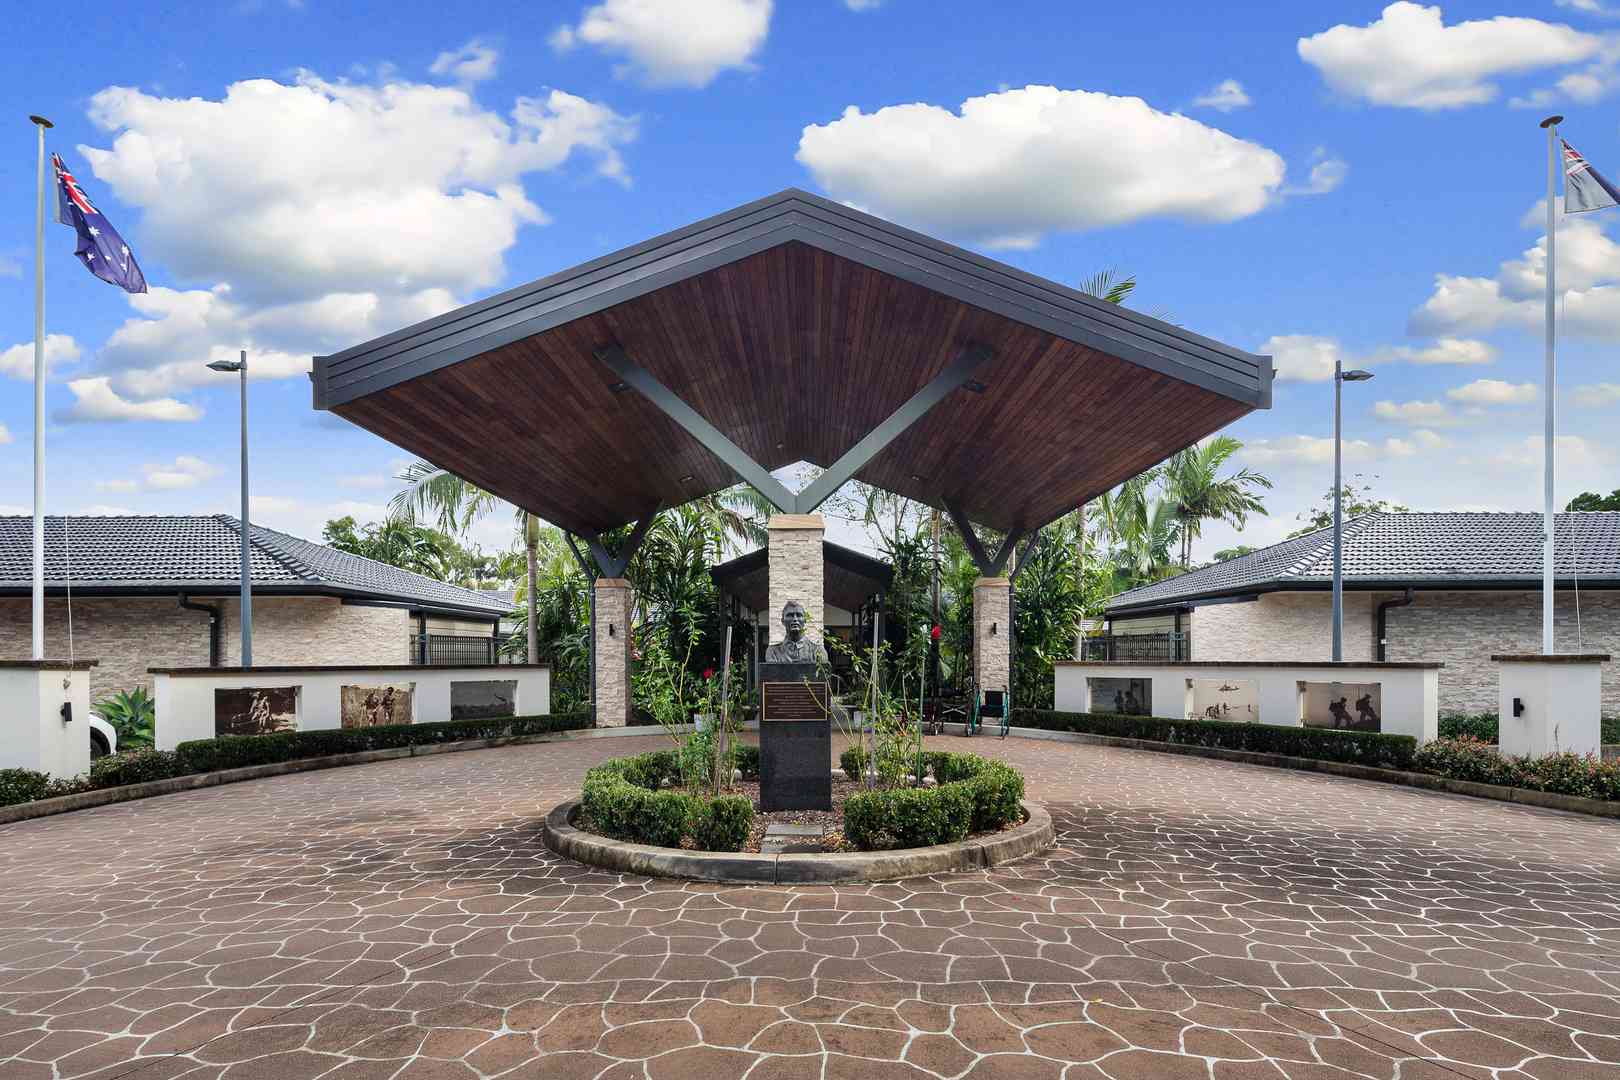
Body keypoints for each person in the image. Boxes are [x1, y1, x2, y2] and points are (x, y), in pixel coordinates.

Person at [764, 599, 828, 665]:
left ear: (804, 620)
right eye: (790, 615)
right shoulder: (773, 652)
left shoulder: (818, 651)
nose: (795, 619)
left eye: (799, 615)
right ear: (782, 621)